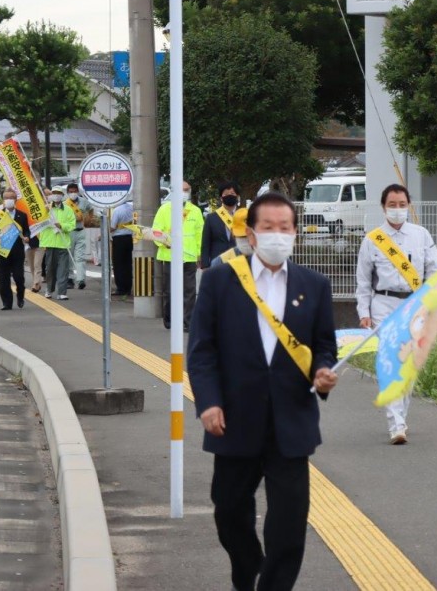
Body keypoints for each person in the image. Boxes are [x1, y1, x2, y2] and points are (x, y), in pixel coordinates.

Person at [187, 191, 338, 591]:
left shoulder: (314, 285)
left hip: (292, 420)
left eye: (284, 228)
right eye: (268, 228)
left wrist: (323, 371)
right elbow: (202, 350)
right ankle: (247, 567)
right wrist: (208, 402)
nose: (277, 235)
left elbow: (324, 345)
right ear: (250, 235)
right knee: (230, 512)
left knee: (289, 523)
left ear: (295, 234)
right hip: (234, 419)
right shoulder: (221, 280)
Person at [356, 183, 437, 444]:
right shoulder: (372, 240)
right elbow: (363, 281)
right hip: (383, 305)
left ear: (408, 206)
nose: (397, 209)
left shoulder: (421, 234)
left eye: (402, 204)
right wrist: (364, 312)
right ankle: (396, 424)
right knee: (390, 362)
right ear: (383, 207)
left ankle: (400, 416)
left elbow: (434, 270)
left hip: (414, 306)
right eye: (392, 205)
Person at [152, 180, 204, 330]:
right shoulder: (165, 209)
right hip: (170, 256)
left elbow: (199, 234)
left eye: (187, 190)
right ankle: (169, 321)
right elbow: (156, 232)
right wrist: (164, 243)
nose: (184, 193)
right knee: (169, 290)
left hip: (189, 256)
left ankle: (188, 322)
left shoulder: (195, 210)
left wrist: (200, 254)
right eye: (182, 190)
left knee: (189, 291)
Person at [0, 189, 31, 310]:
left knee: (18, 277)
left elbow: (26, 230)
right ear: (3, 200)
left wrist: (26, 237)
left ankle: (20, 295)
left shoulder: (22, 215)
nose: (8, 200)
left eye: (11, 198)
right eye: (6, 198)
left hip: (17, 251)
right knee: (3, 279)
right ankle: (7, 303)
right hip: (2, 251)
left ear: (15, 200)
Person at [40, 185, 77, 300]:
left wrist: (61, 225)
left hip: (63, 243)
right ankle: (49, 289)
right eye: (54, 193)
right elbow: (38, 222)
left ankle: (62, 292)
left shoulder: (68, 209)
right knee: (50, 268)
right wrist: (44, 212)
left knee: (63, 269)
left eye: (58, 193)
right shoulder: (46, 208)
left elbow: (72, 224)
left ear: (62, 195)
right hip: (50, 243)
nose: (56, 195)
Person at [200, 181, 240, 268]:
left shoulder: (244, 216)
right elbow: (205, 244)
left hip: (239, 263)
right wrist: (205, 265)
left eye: (232, 193)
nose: (229, 196)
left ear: (237, 196)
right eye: (226, 194)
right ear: (221, 198)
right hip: (217, 263)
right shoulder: (211, 218)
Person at [65, 183, 94, 290]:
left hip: (81, 231)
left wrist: (88, 219)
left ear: (78, 192)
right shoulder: (65, 204)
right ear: (68, 193)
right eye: (71, 191)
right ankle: (69, 279)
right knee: (69, 256)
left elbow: (91, 210)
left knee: (80, 257)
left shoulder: (84, 202)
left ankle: (81, 279)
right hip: (69, 232)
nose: (73, 193)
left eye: (75, 191)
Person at [110, 200, 135, 297]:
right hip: (130, 238)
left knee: (118, 264)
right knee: (128, 264)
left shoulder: (117, 210)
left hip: (119, 239)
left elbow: (113, 227)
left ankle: (121, 288)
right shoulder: (131, 208)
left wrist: (103, 232)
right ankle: (128, 288)